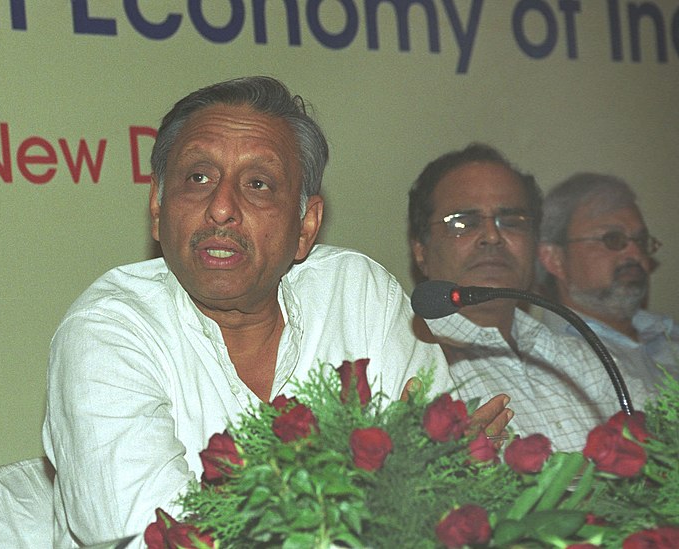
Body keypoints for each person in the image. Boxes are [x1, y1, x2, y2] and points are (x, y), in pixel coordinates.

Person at [42, 77, 507, 548]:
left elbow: (446, 498)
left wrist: (442, 477)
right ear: (159, 205)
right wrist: (398, 482)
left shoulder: (357, 296)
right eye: (198, 178)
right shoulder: (107, 332)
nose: (221, 208)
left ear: (306, 226)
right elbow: (164, 538)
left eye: (258, 184)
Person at [407, 143, 649, 453]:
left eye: (512, 221)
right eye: (463, 222)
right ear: (421, 251)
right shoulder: (411, 360)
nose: (492, 237)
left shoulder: (587, 357)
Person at [537, 172, 678, 396]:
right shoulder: (549, 362)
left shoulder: (666, 331)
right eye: (612, 239)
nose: (635, 254)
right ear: (554, 259)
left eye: (640, 241)